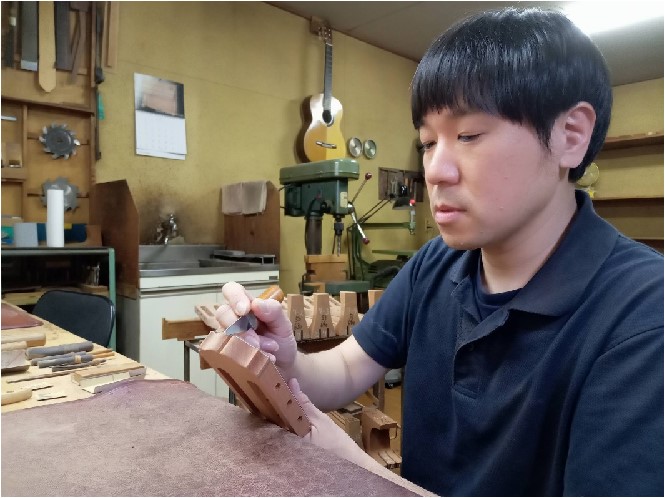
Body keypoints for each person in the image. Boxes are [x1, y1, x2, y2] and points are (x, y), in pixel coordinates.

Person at [216, 7, 664, 496]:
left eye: (468, 135)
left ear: (570, 136)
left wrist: (362, 473)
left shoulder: (644, 314)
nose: (434, 170)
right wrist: (286, 361)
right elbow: (345, 368)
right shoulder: (435, 264)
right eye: (428, 142)